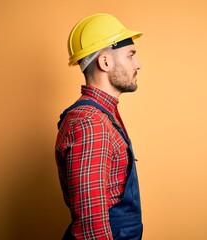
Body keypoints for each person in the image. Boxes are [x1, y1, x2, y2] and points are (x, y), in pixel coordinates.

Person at [55, 13, 143, 240]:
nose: (138, 64)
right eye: (131, 56)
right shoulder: (90, 124)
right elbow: (90, 225)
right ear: (105, 62)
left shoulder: (103, 115)